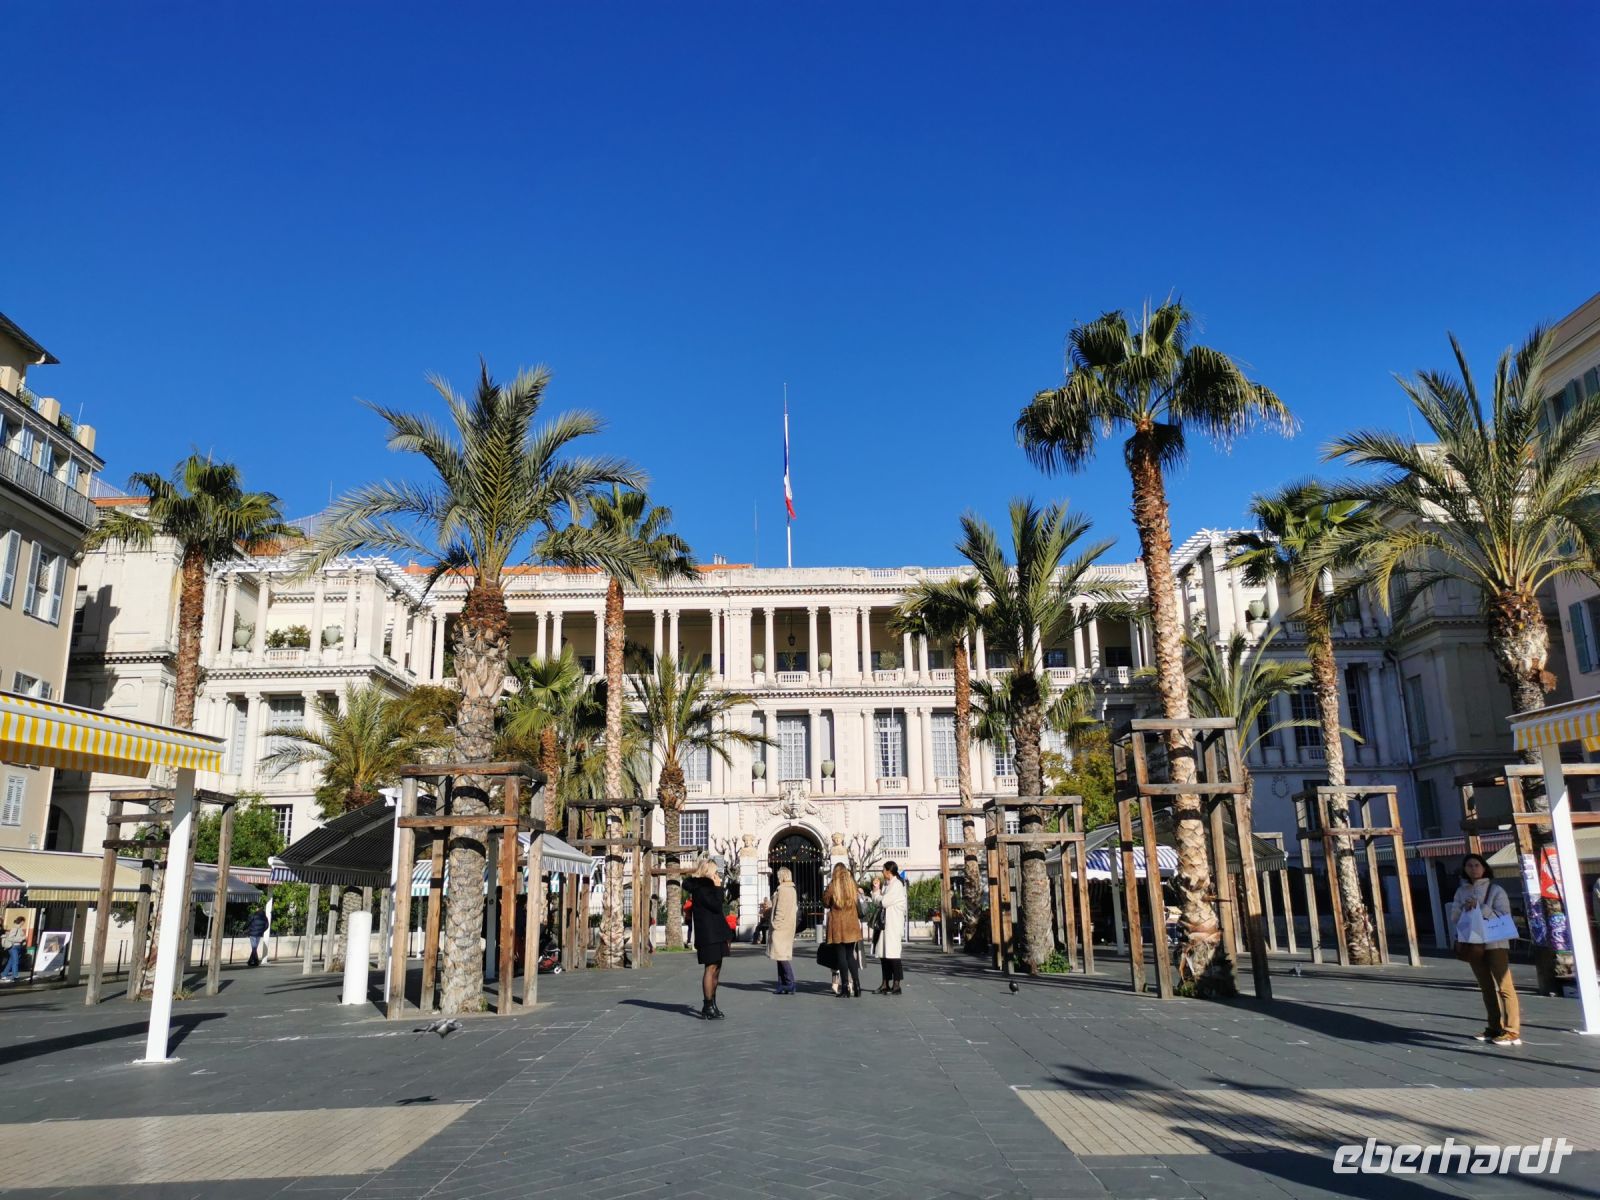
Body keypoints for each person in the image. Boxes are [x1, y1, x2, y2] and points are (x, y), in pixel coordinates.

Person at [1447, 853, 1521, 1047]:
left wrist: (1480, 907)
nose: (1473, 869)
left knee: (1504, 986)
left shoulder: (1496, 890)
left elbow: (1504, 915)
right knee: (1486, 987)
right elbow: (1454, 917)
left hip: (1495, 942)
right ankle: (1494, 1026)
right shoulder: (1461, 891)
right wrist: (1466, 908)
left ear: (1484, 867)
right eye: (1469, 865)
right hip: (1473, 943)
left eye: (1477, 865)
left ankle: (1512, 1030)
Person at [683, 858, 731, 1019]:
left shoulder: (708, 887)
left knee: (717, 968)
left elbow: (717, 908)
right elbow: (716, 906)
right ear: (708, 872)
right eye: (715, 872)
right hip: (708, 935)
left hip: (717, 933)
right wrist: (718, 888)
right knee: (710, 969)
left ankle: (713, 1003)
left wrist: (717, 888)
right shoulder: (701, 888)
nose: (717, 875)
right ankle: (707, 1005)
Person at [823, 863, 863, 998]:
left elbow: (826, 902)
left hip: (838, 926)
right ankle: (857, 985)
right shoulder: (852, 884)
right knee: (850, 955)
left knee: (841, 956)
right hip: (851, 925)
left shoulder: (833, 885)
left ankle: (845, 986)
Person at [875, 862, 908, 995]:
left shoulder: (897, 885)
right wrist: (877, 891)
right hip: (885, 925)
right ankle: (885, 983)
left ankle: (896, 985)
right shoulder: (888, 884)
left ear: (889, 871)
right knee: (884, 955)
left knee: (893, 955)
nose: (882, 872)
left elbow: (883, 902)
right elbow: (878, 901)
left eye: (883, 870)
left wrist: (877, 894)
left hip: (893, 925)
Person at [768, 868, 798, 994]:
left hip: (781, 927)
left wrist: (775, 924)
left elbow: (780, 909)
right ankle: (782, 984)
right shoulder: (791, 889)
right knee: (780, 955)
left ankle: (790, 982)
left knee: (781, 956)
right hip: (788, 926)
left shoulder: (783, 890)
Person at [1, 916, 25, 983]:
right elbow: (10, 938)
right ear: (21, 921)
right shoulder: (15, 928)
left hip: (17, 947)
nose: (24, 923)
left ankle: (3, 975)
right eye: (23, 922)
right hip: (13, 947)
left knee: (11, 962)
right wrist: (21, 939)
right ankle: (15, 976)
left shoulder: (19, 928)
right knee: (15, 962)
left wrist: (23, 940)